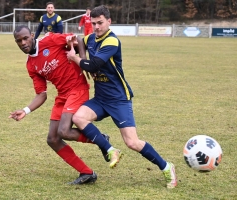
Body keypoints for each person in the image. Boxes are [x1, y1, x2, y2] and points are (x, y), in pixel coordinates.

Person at [66, 5, 177, 189]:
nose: (97, 27)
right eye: (93, 23)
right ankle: (110, 149)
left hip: (119, 99)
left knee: (132, 142)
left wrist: (76, 58)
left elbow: (93, 65)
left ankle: (166, 167)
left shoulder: (112, 41)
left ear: (109, 21)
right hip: (101, 99)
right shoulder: (92, 38)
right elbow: (80, 40)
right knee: (78, 117)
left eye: (100, 23)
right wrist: (72, 41)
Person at [10, 25, 110, 185]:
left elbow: (77, 39)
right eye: (18, 41)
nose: (23, 43)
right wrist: (25, 110)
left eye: (25, 38)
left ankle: (101, 140)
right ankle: (87, 172)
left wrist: (84, 61)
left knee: (63, 131)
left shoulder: (50, 40)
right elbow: (41, 94)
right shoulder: (31, 65)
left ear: (32, 35)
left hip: (77, 88)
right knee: (53, 139)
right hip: (62, 95)